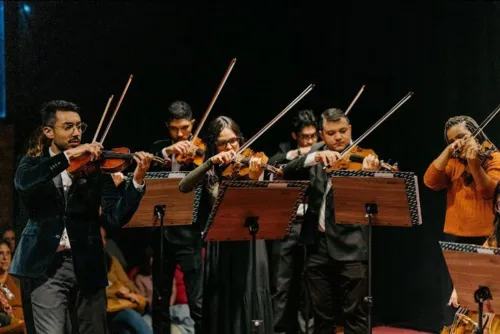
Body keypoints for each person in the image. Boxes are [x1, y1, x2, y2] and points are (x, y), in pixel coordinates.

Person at [10, 100, 153, 334]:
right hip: (44, 265)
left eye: (79, 126)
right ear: (48, 131)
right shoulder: (34, 163)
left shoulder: (95, 167)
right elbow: (24, 183)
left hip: (86, 264)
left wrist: (136, 181)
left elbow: (114, 218)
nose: (76, 133)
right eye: (68, 127)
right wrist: (67, 157)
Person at [282, 108, 381, 334]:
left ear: (351, 130)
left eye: (343, 131)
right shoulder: (316, 152)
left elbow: (375, 201)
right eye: (331, 133)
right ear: (321, 135)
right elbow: (286, 169)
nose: (338, 137)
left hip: (352, 247)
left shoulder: (365, 156)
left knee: (355, 317)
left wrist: (369, 176)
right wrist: (313, 157)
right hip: (317, 246)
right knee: (321, 317)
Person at [179, 116, 273, 334]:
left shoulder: (251, 163)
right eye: (223, 143)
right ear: (214, 145)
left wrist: (255, 178)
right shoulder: (212, 169)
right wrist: (210, 162)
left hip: (250, 243)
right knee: (224, 303)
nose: (231, 147)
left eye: (234, 140)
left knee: (250, 299)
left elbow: (259, 205)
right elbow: (184, 186)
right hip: (220, 245)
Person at [423, 116, 500, 320]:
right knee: (459, 304)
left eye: (462, 137)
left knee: (487, 305)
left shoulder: (495, 158)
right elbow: (430, 181)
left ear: (476, 134)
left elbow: (488, 191)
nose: (457, 143)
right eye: (452, 141)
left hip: (487, 240)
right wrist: (449, 151)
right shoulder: (454, 162)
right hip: (458, 240)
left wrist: (474, 163)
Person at [149, 101, 203, 333]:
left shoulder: (202, 149)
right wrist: (166, 153)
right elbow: (146, 166)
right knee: (160, 300)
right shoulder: (158, 148)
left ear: (192, 124)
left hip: (189, 235)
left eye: (184, 128)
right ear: (167, 127)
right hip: (161, 234)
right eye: (174, 129)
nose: (180, 134)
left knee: (197, 301)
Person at [267, 109, 318, 334]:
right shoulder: (284, 151)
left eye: (314, 136)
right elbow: (272, 163)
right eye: (305, 137)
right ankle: (278, 330)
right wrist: (299, 154)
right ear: (295, 136)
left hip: (312, 224)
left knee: (309, 285)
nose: (310, 141)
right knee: (282, 284)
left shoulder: (321, 151)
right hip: (288, 224)